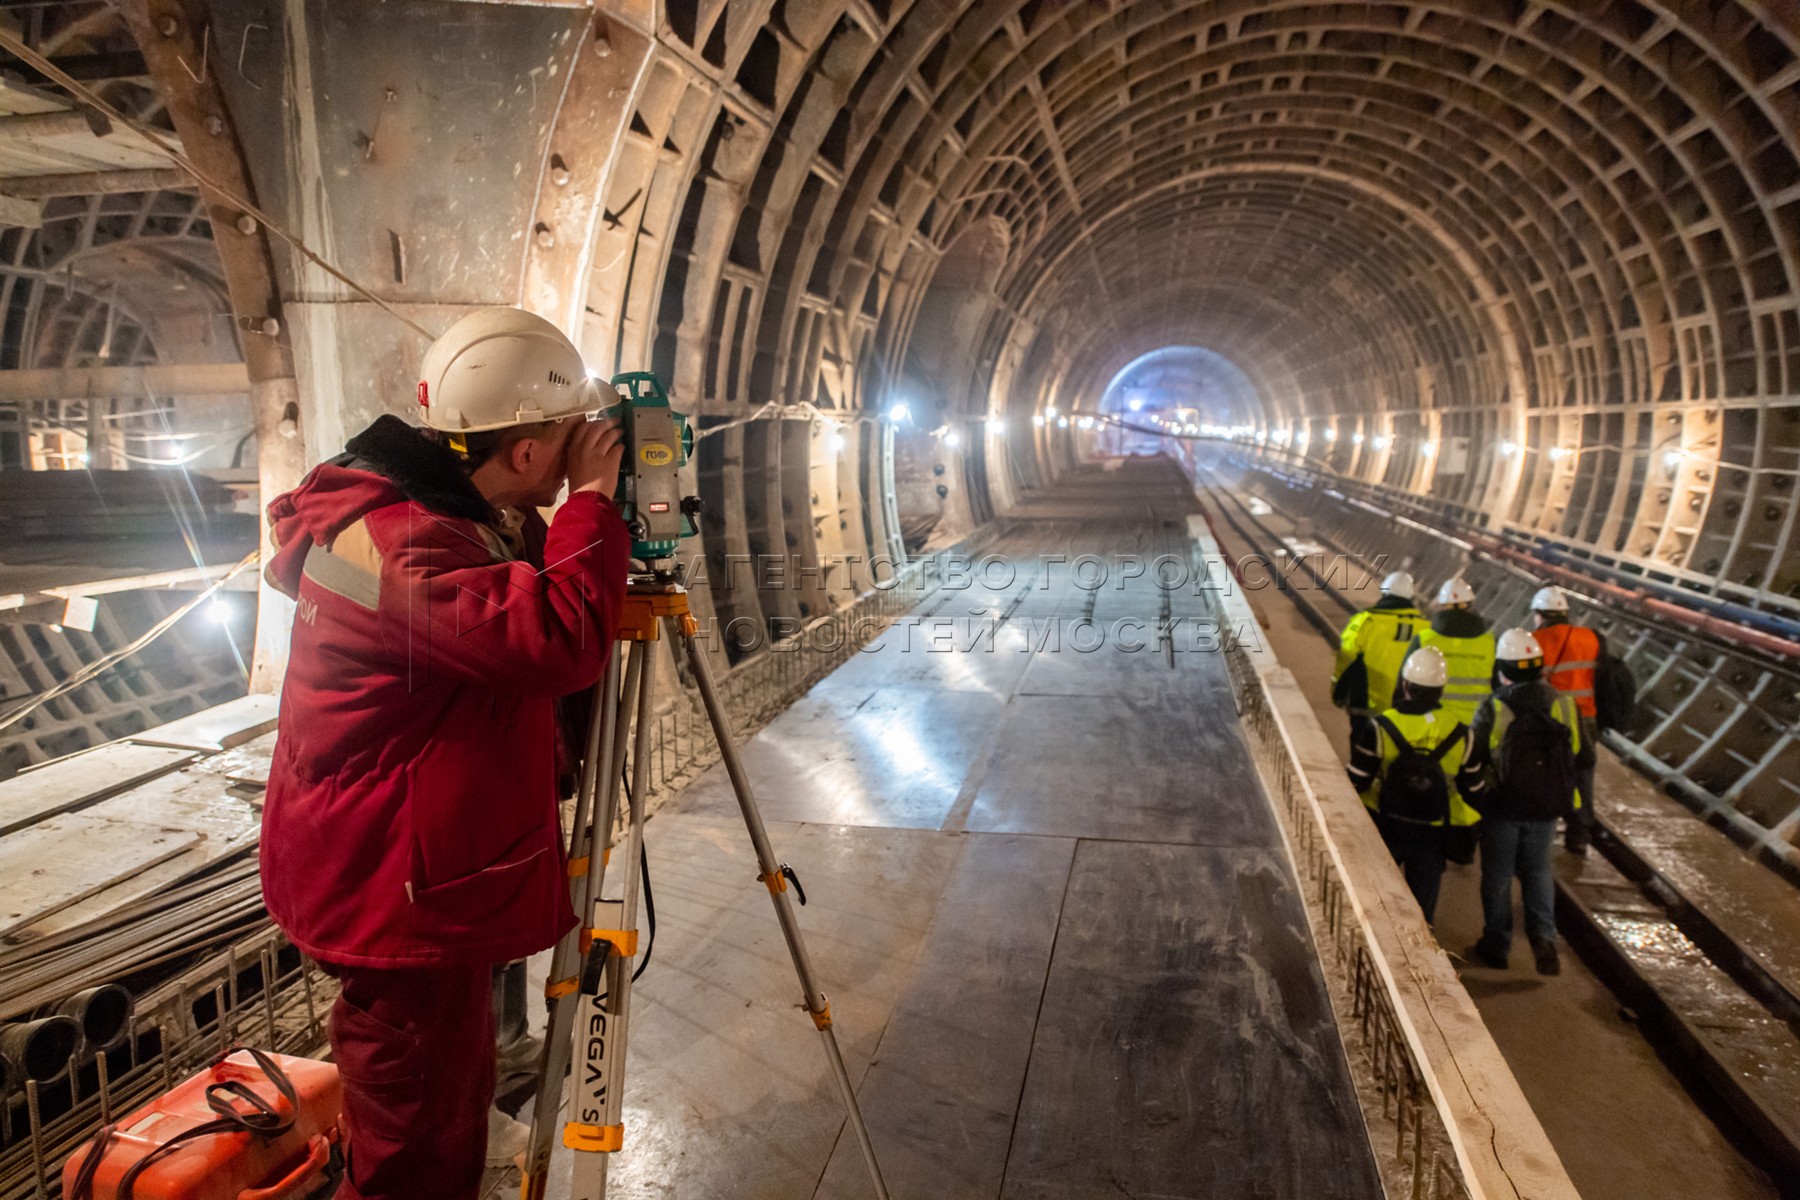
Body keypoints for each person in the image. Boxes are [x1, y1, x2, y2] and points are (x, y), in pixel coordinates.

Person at [260, 307, 630, 1199]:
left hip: (393, 864)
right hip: (394, 891)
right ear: (532, 453)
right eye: (565, 434)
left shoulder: (423, 511)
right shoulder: (404, 545)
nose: (581, 446)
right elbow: (553, 641)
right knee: (415, 1146)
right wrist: (591, 506)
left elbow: (497, 608)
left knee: (437, 1104)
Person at [1458, 628, 1593, 976]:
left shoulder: (1494, 706)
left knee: (1499, 875)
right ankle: (1544, 938)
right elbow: (1582, 754)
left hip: (1503, 806)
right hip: (1548, 806)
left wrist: (1477, 798)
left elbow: (1473, 757)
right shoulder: (1563, 704)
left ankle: (1497, 945)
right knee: (1538, 870)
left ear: (1502, 669)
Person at [1345, 646, 1476, 924]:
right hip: (1433, 832)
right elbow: (1472, 789)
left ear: (1405, 684)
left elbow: (1357, 778)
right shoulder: (1461, 732)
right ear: (1442, 688)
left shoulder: (1380, 726)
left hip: (1385, 823)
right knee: (1421, 912)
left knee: (1376, 902)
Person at [1529, 586, 1603, 854]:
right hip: (1587, 716)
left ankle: (1542, 828)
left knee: (1549, 771)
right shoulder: (1591, 638)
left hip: (1556, 719)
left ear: (1540, 614)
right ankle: (1580, 835)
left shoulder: (1537, 639)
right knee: (1583, 774)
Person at [1331, 570, 1422, 743]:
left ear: (1384, 593)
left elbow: (1346, 659)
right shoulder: (1425, 629)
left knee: (1363, 749)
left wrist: (1338, 693)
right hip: (1407, 709)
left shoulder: (1366, 621)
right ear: (1411, 598)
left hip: (1365, 705)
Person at [1413, 576, 1495, 727]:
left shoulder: (1425, 639)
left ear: (1442, 605)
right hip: (1475, 722)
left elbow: (1405, 681)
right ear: (1470, 605)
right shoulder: (1489, 643)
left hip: (1430, 720)